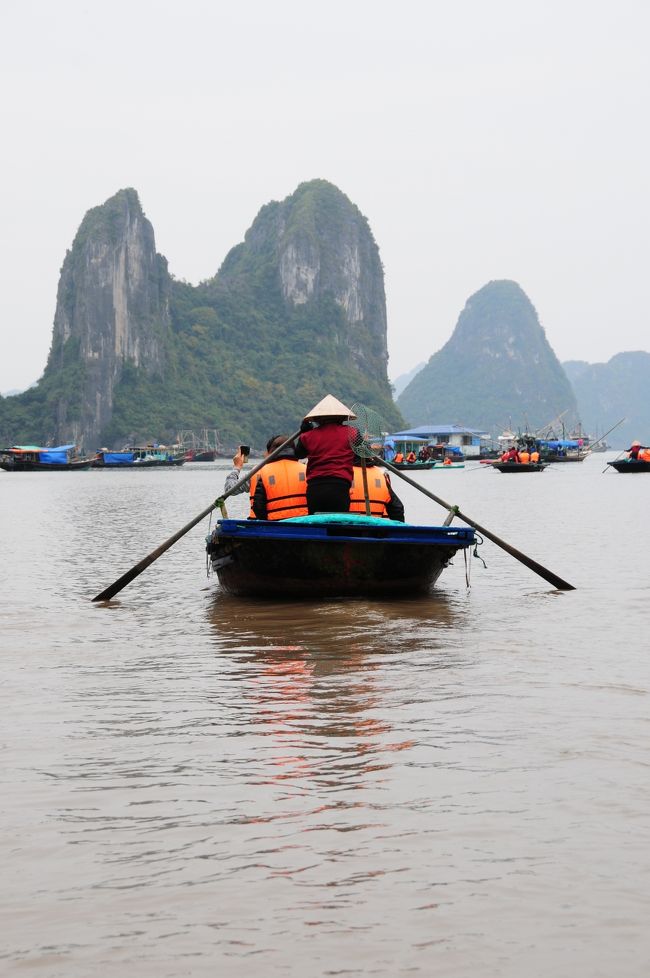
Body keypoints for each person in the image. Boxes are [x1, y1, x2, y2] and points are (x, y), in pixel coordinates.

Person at [294, 395, 356, 514]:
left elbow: (298, 454)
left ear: (318, 419)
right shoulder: (352, 432)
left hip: (315, 487)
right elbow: (363, 453)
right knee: (338, 524)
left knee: (316, 525)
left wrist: (304, 432)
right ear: (342, 418)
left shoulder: (307, 436)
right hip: (340, 485)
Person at [223, 437, 308, 519]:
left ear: (269, 453)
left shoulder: (258, 472)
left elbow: (230, 489)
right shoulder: (307, 470)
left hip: (267, 526)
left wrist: (237, 467)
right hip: (304, 524)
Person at [248, 435, 308, 519]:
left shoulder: (263, 471)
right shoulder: (306, 469)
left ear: (272, 451)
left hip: (275, 524)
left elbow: (258, 506)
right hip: (303, 523)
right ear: (294, 450)